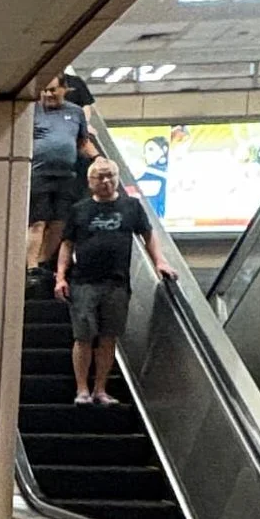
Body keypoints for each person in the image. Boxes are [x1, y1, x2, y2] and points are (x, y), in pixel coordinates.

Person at [56, 157, 177, 405]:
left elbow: (148, 234)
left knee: (109, 336)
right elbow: (67, 244)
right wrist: (60, 277)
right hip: (83, 283)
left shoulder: (131, 207)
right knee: (84, 336)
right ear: (90, 182)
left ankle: (100, 389)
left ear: (117, 177)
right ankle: (82, 390)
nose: (106, 180)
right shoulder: (80, 210)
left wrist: (160, 262)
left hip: (117, 283)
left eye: (110, 175)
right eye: (100, 176)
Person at [27, 73, 98, 287]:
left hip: (66, 176)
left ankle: (42, 262)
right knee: (38, 221)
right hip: (38, 174)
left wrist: (98, 159)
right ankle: (31, 267)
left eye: (52, 90)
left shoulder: (75, 112)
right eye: (45, 90)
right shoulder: (32, 111)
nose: (48, 94)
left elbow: (83, 142)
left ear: (64, 90)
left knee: (59, 223)